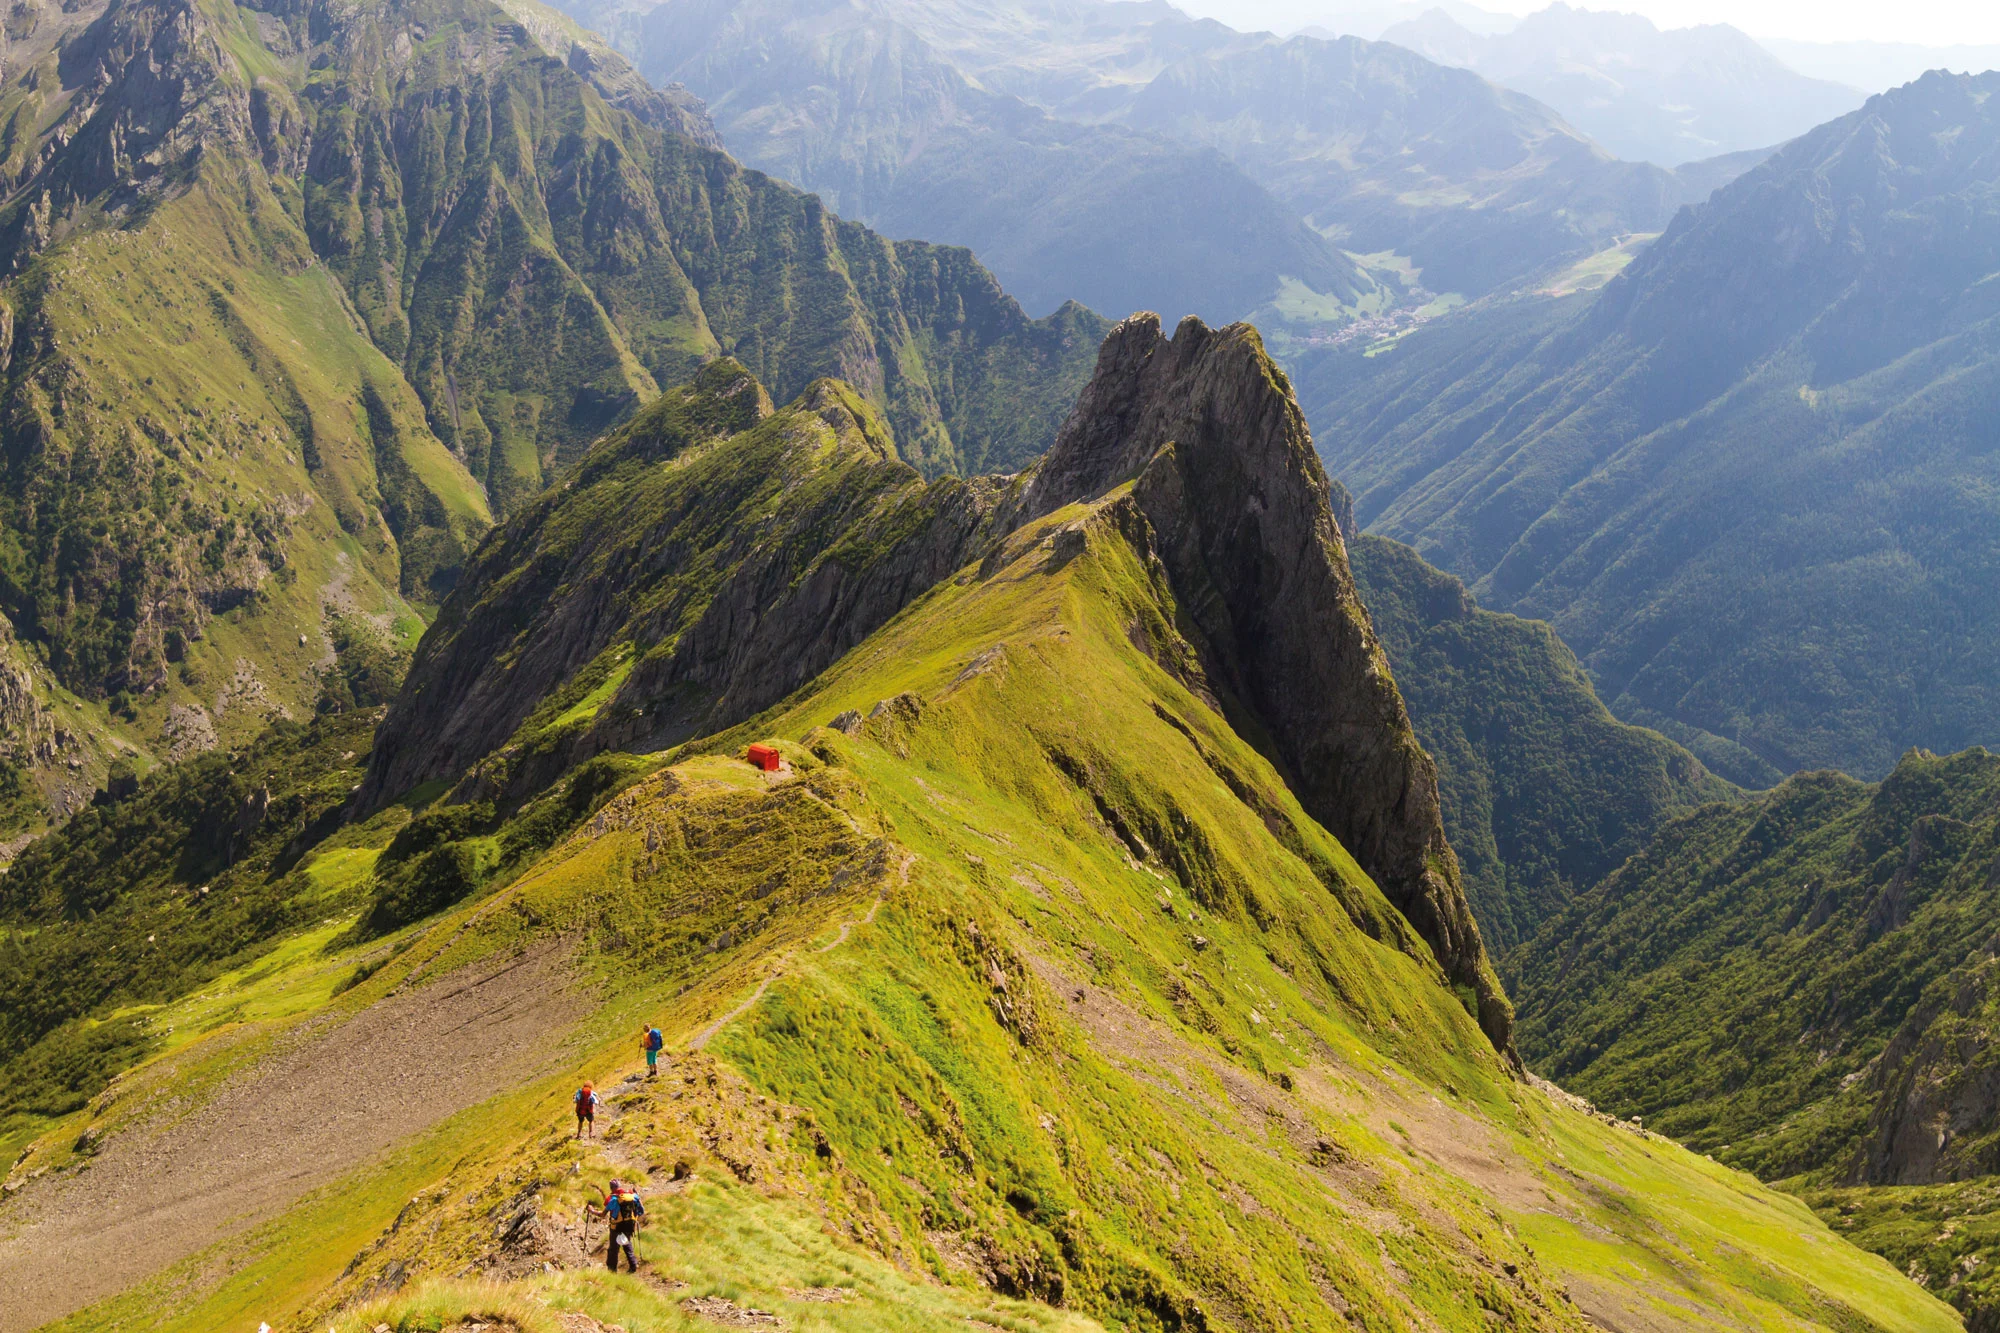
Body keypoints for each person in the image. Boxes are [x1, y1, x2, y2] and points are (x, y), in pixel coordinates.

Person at [584, 1177, 645, 1271]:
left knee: (613, 1249)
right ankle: (633, 1265)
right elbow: (642, 1211)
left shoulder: (613, 1199)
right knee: (626, 1243)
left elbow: (602, 1214)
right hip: (629, 1225)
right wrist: (637, 1195)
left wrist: (591, 1210)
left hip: (616, 1227)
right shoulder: (633, 1197)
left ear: (612, 1188)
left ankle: (612, 1270)